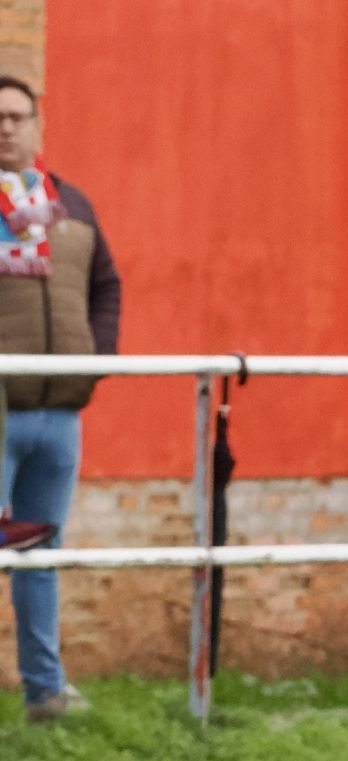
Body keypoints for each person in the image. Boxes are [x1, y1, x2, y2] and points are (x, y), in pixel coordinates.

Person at [0, 75, 119, 722]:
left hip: (59, 414)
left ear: (39, 125)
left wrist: (97, 360)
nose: (7, 127)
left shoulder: (70, 203)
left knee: (41, 554)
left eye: (19, 116)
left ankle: (44, 692)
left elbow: (108, 286)